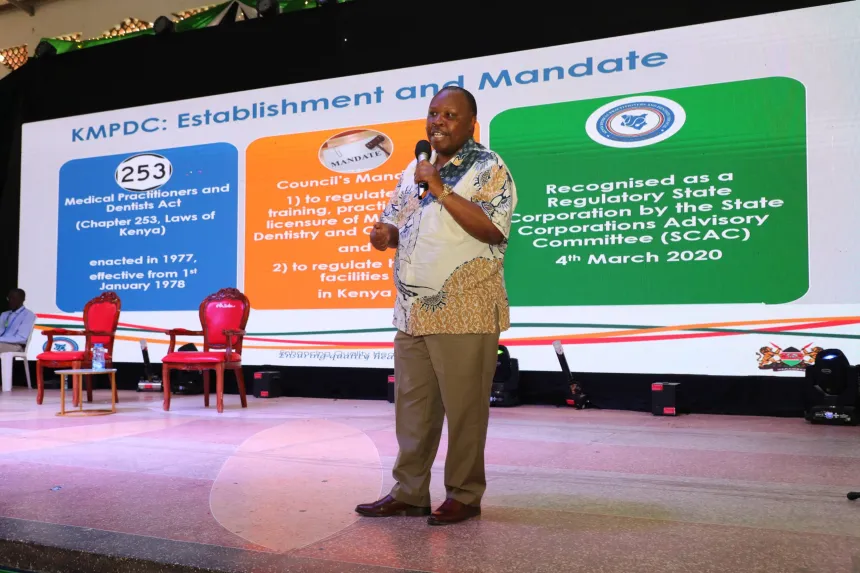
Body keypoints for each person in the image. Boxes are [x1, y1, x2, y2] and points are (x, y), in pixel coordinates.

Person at [355, 86, 517, 525]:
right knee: (413, 409)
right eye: (433, 113)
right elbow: (397, 222)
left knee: (465, 411)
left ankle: (464, 494)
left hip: (465, 308)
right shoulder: (414, 170)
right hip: (413, 312)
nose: (438, 122)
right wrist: (385, 235)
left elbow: (493, 230)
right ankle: (409, 492)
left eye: (449, 115)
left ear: (471, 124)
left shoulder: (488, 167)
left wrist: (441, 188)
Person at [0, 288, 36, 353]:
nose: (11, 301)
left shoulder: (28, 315)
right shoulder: (4, 314)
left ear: (23, 300)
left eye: (14, 299)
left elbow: (22, 338)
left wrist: (1, 339)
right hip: (2, 343)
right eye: (9, 298)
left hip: (16, 346)